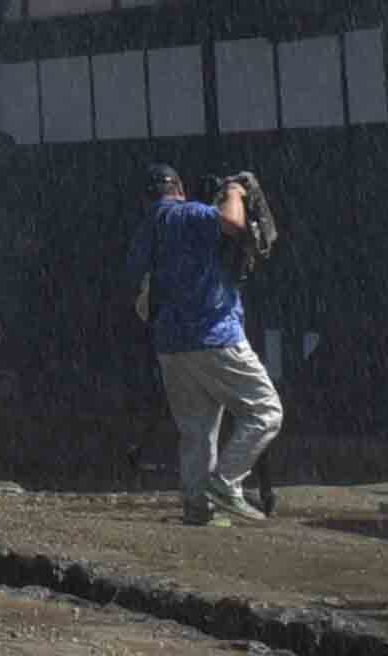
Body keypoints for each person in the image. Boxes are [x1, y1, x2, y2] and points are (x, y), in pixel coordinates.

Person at [124, 163, 281, 526]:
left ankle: (198, 505)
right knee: (265, 412)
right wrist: (234, 193)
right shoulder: (190, 213)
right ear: (179, 188)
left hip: (171, 344)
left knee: (196, 429)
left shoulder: (147, 228)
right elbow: (233, 224)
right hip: (215, 334)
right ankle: (225, 483)